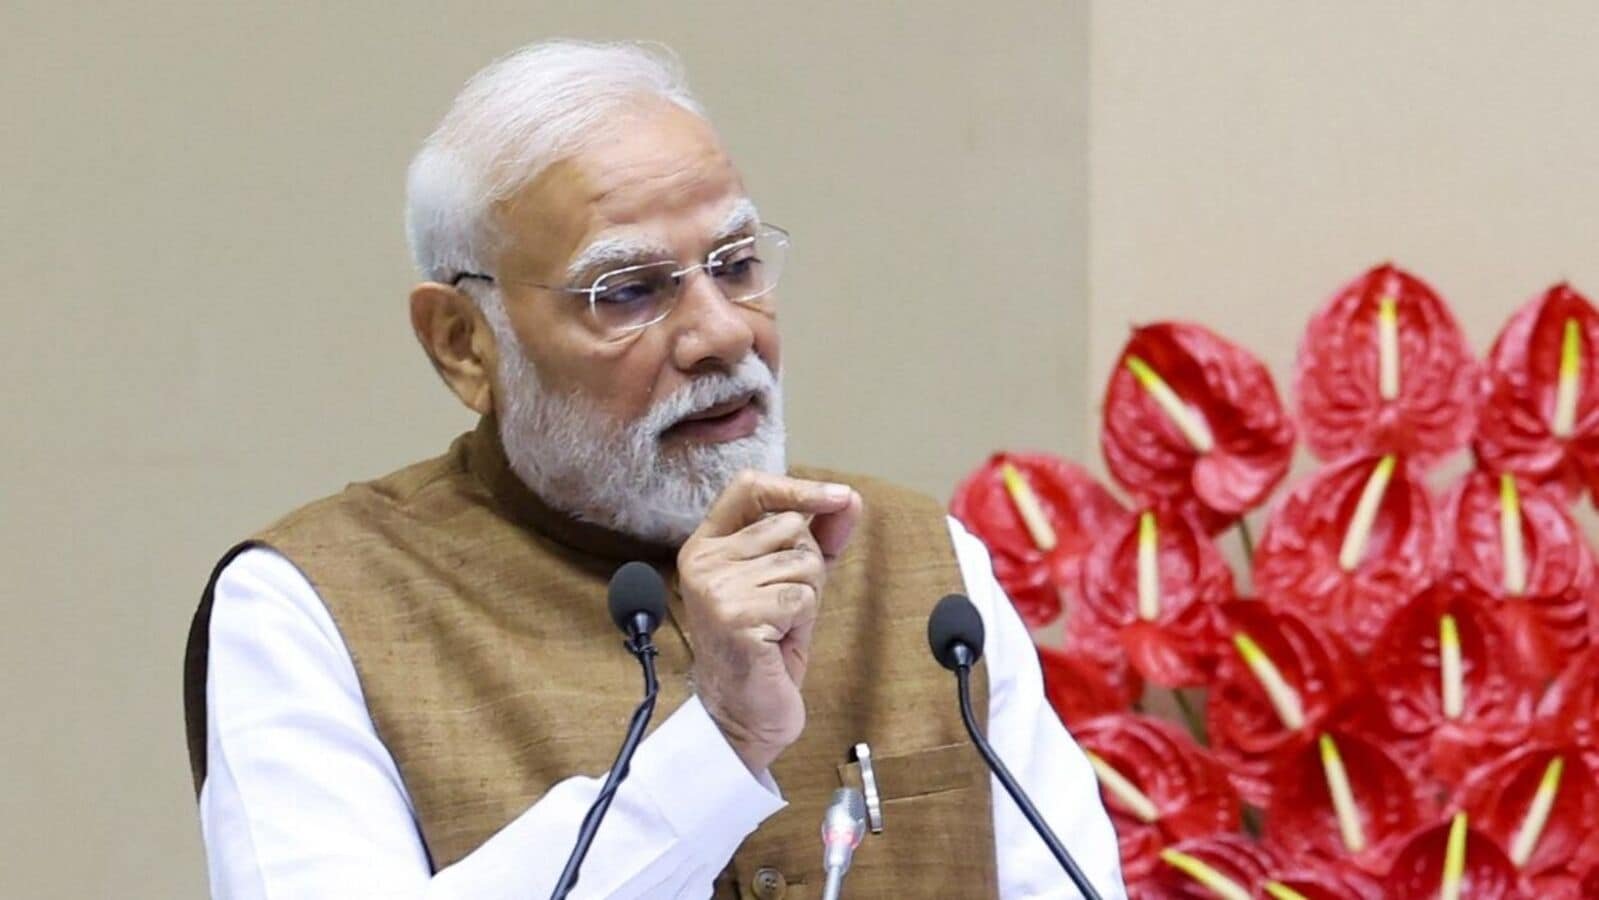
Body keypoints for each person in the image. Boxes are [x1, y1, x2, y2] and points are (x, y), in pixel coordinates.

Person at [182, 39, 1125, 900]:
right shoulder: (310, 607)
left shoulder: (922, 574)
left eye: (738, 264)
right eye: (627, 291)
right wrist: (714, 746)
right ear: (466, 344)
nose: (721, 333)